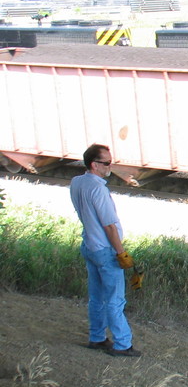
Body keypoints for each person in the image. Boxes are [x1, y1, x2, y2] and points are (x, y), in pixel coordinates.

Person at [70, 144, 142, 357]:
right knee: (115, 299)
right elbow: (109, 226)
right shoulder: (98, 189)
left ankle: (97, 338)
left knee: (96, 297)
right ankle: (122, 345)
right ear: (95, 164)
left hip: (89, 247)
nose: (110, 166)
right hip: (106, 250)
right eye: (107, 163)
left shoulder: (77, 182)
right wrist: (121, 253)